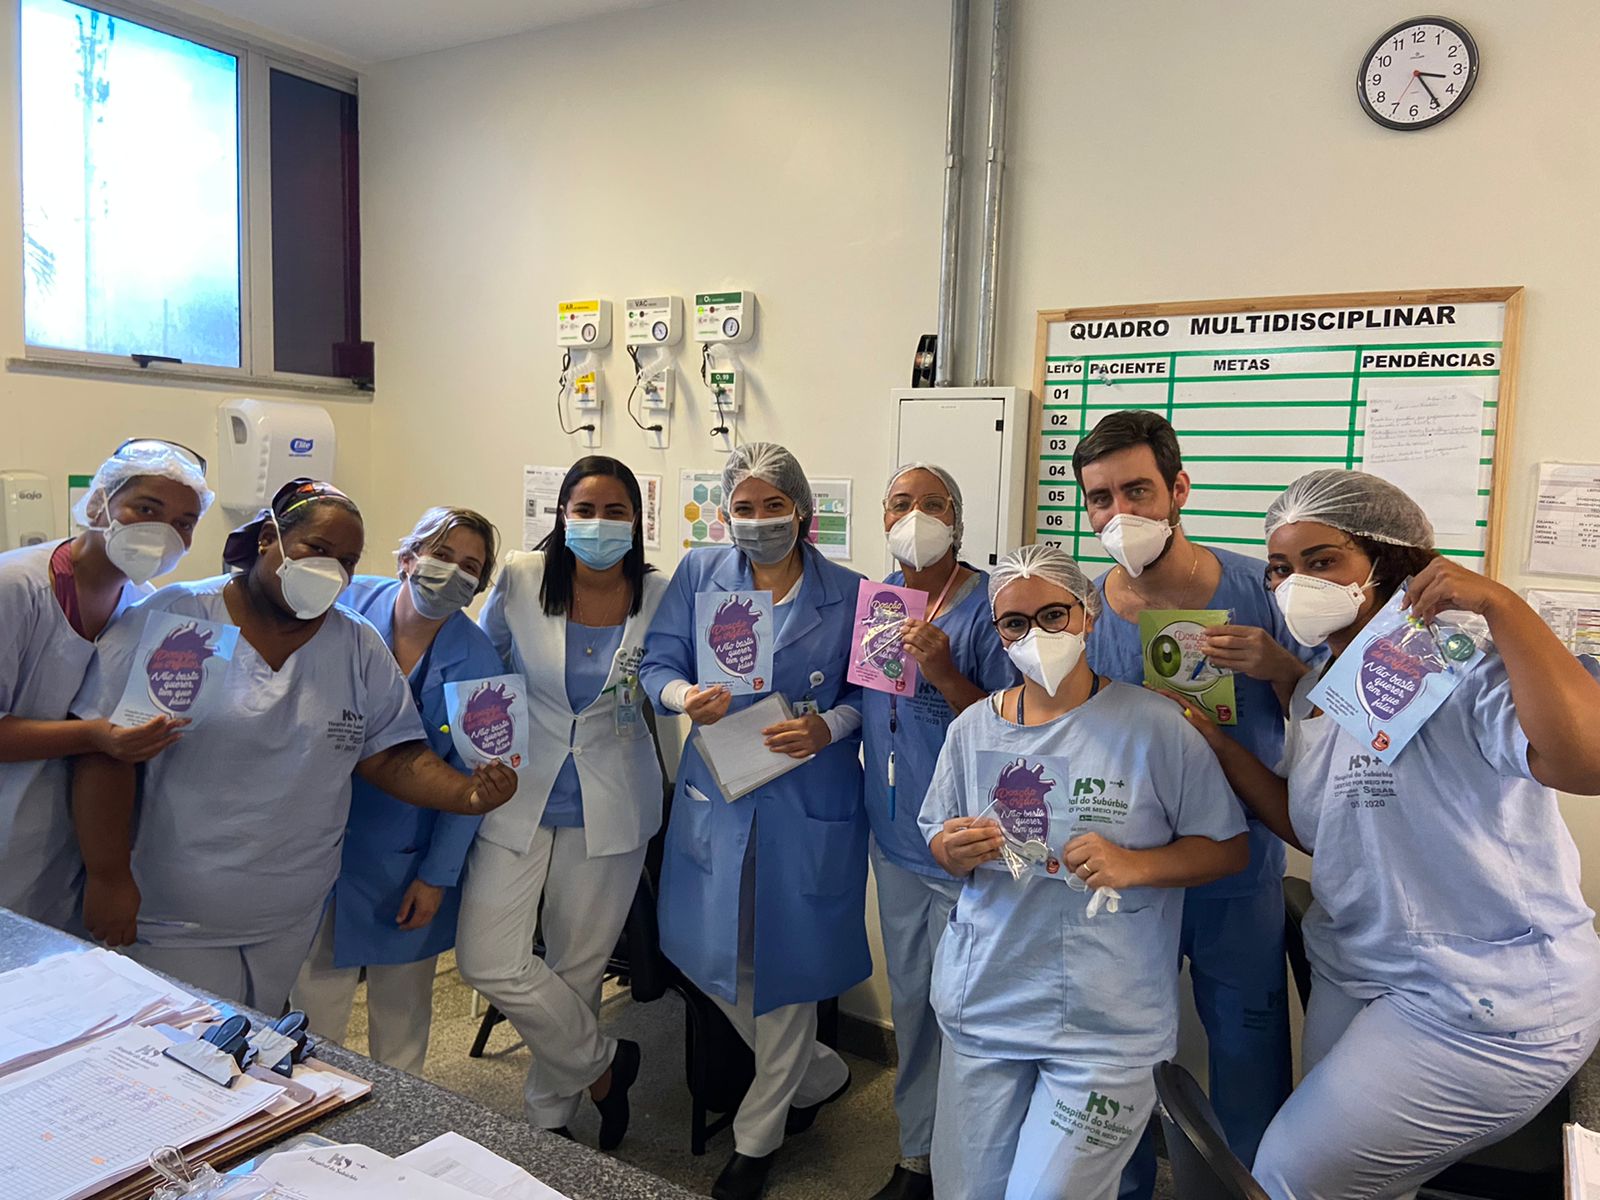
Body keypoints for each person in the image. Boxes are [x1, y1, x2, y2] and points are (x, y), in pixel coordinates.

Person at [1164, 470, 1600, 1200]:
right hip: (1361, 967)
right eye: (1281, 568)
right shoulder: (1329, 683)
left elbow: (1587, 763)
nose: (1296, 584)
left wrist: (1502, 605)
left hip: (1484, 995)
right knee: (1359, 1180)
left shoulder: (1458, 662)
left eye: (1323, 560)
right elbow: (1317, 827)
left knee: (1288, 1176)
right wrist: (1213, 741)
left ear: (1388, 561)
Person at [70, 478, 517, 1014]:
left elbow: (391, 755)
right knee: (179, 1052)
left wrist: (467, 795)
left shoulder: (353, 643)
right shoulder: (185, 619)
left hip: (290, 915)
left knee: (261, 1043)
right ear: (268, 539)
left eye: (346, 561)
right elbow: (106, 753)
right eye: (317, 549)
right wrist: (108, 876)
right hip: (173, 913)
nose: (331, 570)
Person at [921, 543, 1249, 1200]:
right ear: (999, 633)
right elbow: (936, 833)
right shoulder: (973, 729)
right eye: (1016, 623)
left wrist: (1137, 864)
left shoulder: (1154, 725)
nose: (1036, 635)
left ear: (1088, 615)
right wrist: (950, 850)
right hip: (989, 999)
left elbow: (1228, 847)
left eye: (1053, 615)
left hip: (1108, 1020)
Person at [1070, 410, 1308, 1192]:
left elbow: (1331, 721)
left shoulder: (1260, 593)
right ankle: (1125, 1184)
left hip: (1235, 868)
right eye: (1101, 498)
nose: (1119, 513)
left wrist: (1280, 667)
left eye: (1137, 491)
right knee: (1119, 1052)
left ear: (1178, 489)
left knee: (1247, 1046)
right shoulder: (1082, 608)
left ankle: (1250, 1184)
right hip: (1126, 869)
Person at [641, 442, 867, 1200]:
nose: (760, 520)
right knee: (710, 952)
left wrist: (828, 727)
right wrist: (684, 698)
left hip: (809, 797)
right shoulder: (700, 574)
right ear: (726, 512)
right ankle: (817, 1073)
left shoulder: (851, 593)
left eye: (775, 506)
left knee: (790, 963)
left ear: (802, 510)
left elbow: (870, 696)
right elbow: (657, 664)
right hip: (721, 789)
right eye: (744, 507)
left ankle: (757, 1138)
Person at [456, 456, 667, 1150]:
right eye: (585, 510)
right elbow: (483, 665)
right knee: (487, 958)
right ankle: (604, 1065)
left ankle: (549, 1117)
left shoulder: (660, 594)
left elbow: (673, 676)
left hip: (613, 798)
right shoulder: (520, 577)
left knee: (578, 966)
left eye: (615, 511)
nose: (598, 523)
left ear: (636, 521)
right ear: (562, 515)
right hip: (517, 790)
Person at [291, 506, 504, 1073]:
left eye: (470, 567)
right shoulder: (347, 604)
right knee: (313, 1002)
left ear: (479, 586)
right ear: (408, 557)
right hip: (317, 838)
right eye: (441, 555)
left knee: (401, 1012)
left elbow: (476, 789)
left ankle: (402, 1119)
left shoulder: (481, 664)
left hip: (403, 857)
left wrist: (436, 877)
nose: (452, 572)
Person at [860, 464, 1015, 1200]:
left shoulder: (988, 607)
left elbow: (1014, 733)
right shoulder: (879, 603)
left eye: (932, 503)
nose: (915, 516)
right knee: (913, 1005)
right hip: (895, 838)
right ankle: (917, 1155)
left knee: (968, 1008)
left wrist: (947, 673)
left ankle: (971, 1163)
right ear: (884, 516)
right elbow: (865, 707)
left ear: (956, 518)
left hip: (966, 845)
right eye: (901, 503)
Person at [0, 439, 210, 929]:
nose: (164, 532)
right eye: (147, 509)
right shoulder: (16, 589)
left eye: (183, 523)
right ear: (98, 504)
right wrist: (96, 735)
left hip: (57, 849)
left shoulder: (145, 605)